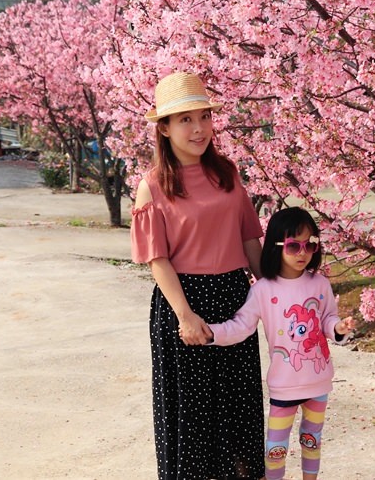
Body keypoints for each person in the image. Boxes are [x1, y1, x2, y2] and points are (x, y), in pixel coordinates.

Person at [130, 71, 266, 479]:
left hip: (233, 298)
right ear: (165, 128)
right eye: (185, 119)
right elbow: (158, 260)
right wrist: (185, 316)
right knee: (192, 413)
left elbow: (248, 241)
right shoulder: (152, 186)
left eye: (204, 117)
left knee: (239, 406)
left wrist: (280, 291)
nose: (198, 128)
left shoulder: (228, 173)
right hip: (182, 304)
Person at [199, 207, 356, 480]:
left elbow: (329, 318)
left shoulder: (319, 284)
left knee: (312, 440)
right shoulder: (263, 290)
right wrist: (212, 333)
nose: (302, 252)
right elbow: (241, 326)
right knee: (275, 447)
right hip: (284, 385)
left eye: (310, 244)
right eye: (294, 245)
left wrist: (338, 329)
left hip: (318, 382)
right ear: (275, 246)